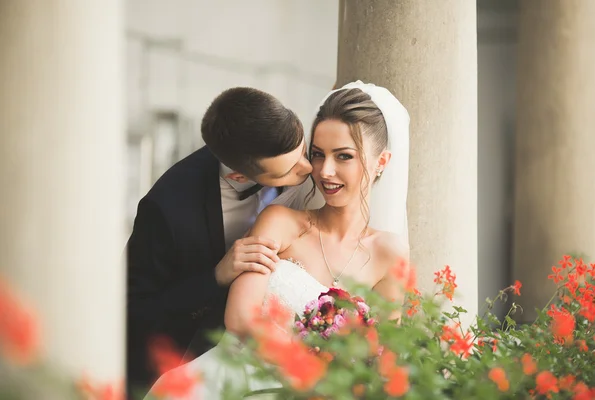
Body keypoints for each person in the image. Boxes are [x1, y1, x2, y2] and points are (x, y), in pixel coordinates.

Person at [145, 81, 411, 399]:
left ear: (381, 162)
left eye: (343, 156)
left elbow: (384, 354)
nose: (324, 170)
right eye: (317, 154)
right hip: (231, 384)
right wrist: (315, 376)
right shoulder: (280, 222)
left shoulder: (390, 253)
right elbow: (242, 316)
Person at [126, 87, 319, 395]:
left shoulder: (288, 146)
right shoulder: (166, 210)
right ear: (239, 177)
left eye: (304, 151)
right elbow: (136, 313)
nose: (309, 169)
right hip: (197, 363)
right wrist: (216, 275)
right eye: (291, 169)